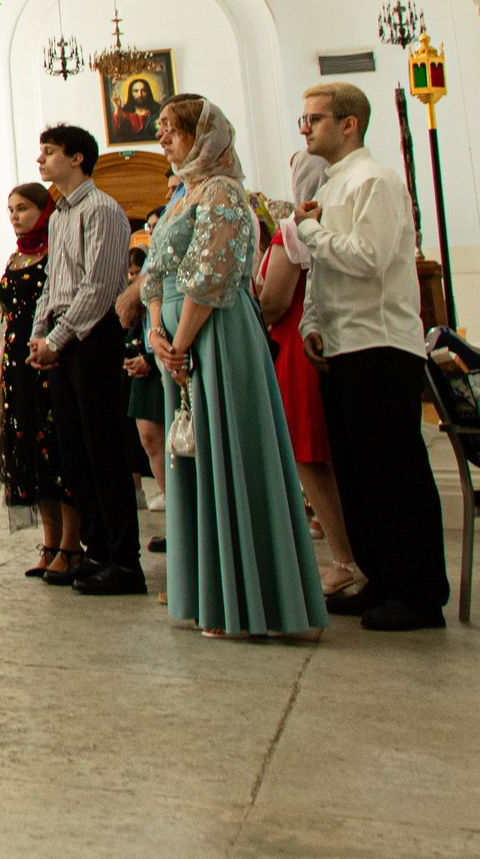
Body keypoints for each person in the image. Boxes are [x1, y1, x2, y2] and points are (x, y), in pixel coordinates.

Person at [146, 96, 326, 638]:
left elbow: (210, 273)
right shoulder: (184, 194)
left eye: (172, 131)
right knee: (193, 460)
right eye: (161, 132)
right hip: (176, 343)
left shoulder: (223, 192)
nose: (164, 141)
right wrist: (156, 331)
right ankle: (207, 595)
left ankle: (243, 601)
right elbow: (155, 273)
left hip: (216, 335)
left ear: (204, 136)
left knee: (227, 454)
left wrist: (178, 340)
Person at [295, 81, 449, 632]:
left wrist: (308, 229)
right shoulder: (334, 184)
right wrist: (312, 321)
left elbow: (367, 257)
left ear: (348, 124)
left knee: (395, 474)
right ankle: (380, 578)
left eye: (313, 119)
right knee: (359, 476)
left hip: (381, 343)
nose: (305, 128)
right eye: (303, 120)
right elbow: (323, 270)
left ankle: (419, 592)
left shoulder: (376, 181)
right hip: (340, 344)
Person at [30, 125, 145, 596]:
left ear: (77, 158)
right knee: (74, 451)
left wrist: (58, 338)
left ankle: (124, 561)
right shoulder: (59, 215)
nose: (41, 159)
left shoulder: (102, 210)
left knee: (104, 451)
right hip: (64, 338)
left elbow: (98, 286)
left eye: (50, 152)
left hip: (93, 337)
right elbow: (54, 283)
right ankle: (94, 551)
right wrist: (40, 336)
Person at [258, 151, 360, 596]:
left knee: (311, 458)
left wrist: (248, 295)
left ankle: (344, 559)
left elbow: (276, 301)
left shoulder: (293, 231)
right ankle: (357, 554)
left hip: (297, 345)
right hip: (330, 340)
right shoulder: (341, 220)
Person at [0, 183, 80, 579]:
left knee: (56, 450)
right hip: (17, 363)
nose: (15, 217)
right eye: (10, 210)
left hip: (50, 357)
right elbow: (4, 311)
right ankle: (50, 541)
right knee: (28, 454)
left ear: (43, 210)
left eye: (22, 209)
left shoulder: (55, 254)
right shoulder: (15, 258)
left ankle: (72, 545)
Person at [118, 244, 168, 556]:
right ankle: (177, 517)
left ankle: (191, 522)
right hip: (147, 344)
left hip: (165, 345)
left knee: (181, 441)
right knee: (150, 439)